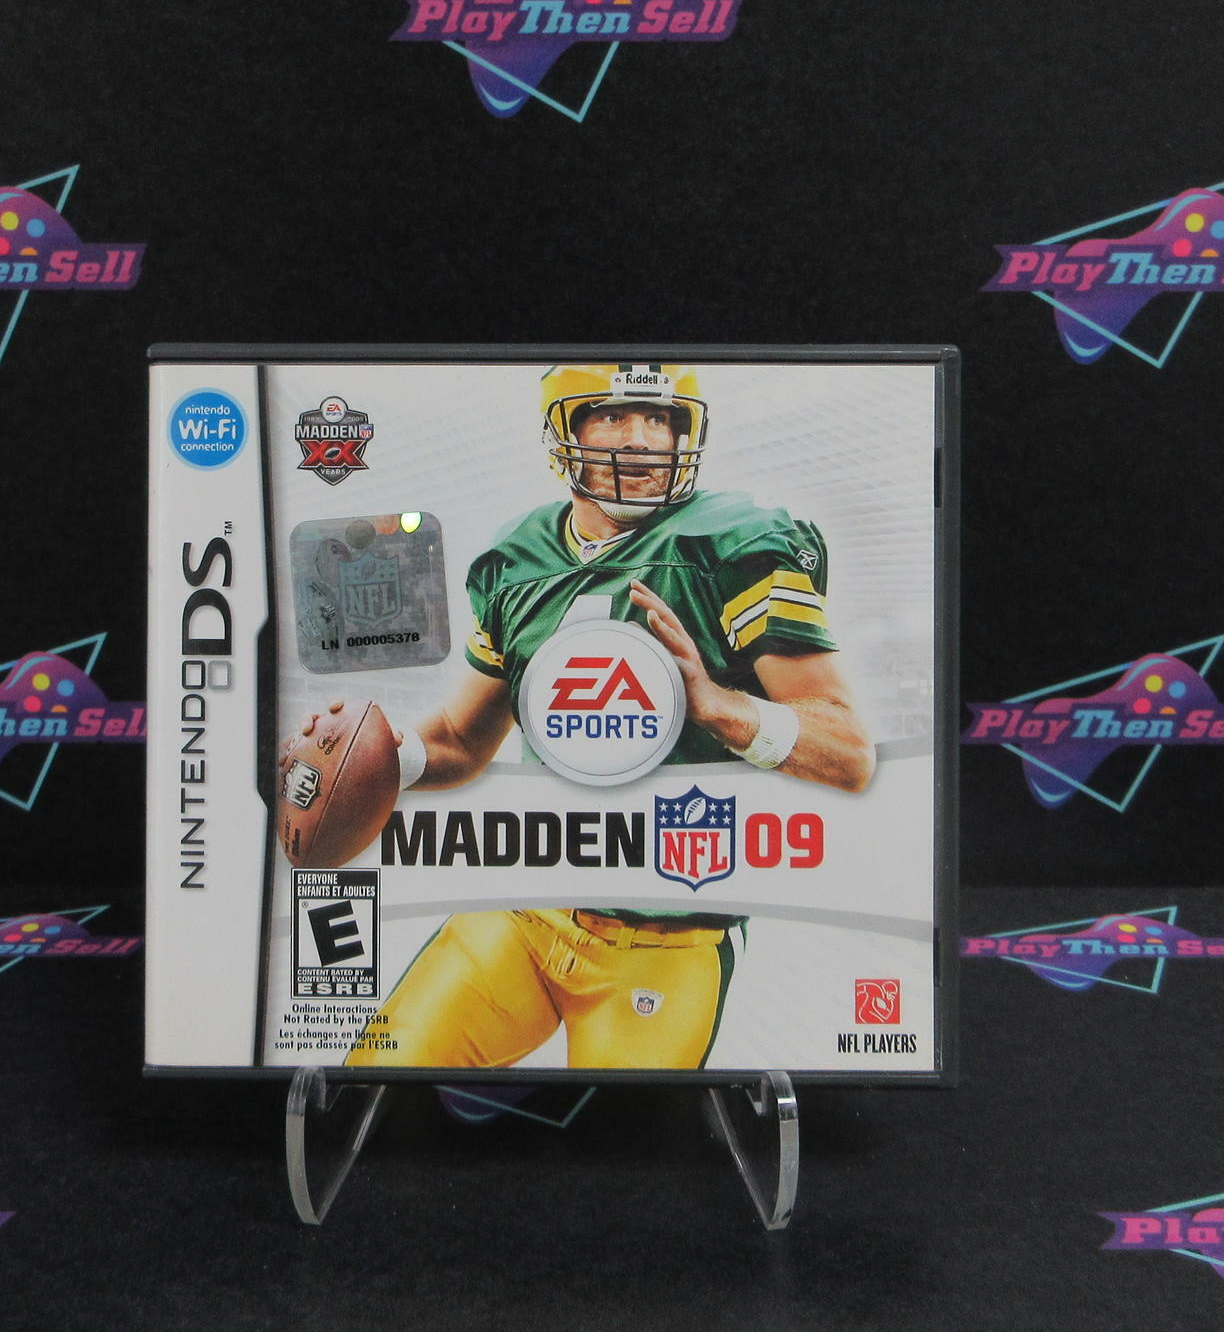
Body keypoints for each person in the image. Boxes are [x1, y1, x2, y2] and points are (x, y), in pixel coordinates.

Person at [311, 362, 873, 1070]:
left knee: (618, 1131)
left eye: (660, 418)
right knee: (378, 1079)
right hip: (525, 910)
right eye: (612, 415)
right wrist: (376, 754)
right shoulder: (515, 560)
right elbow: (459, 739)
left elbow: (847, 752)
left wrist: (719, 706)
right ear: (562, 431)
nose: (641, 438)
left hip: (670, 936)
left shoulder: (736, 545)